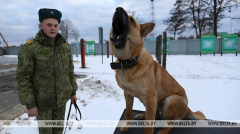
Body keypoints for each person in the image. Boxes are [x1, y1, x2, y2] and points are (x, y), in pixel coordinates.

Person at [16, 8, 78, 134]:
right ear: (41, 25)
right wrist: (30, 104)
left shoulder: (65, 47)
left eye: (55, 25)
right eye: (49, 25)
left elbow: (69, 71)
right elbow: (23, 78)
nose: (53, 28)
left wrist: (73, 92)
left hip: (61, 101)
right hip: (43, 104)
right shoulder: (30, 48)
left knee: (58, 132)